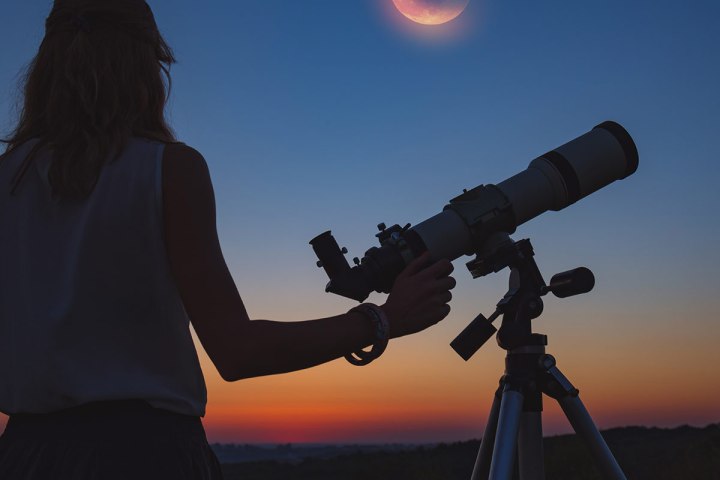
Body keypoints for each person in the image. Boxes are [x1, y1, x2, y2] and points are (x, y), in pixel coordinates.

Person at [0, 1, 456, 479]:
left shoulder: (7, 180)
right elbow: (238, 352)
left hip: (25, 455)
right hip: (145, 456)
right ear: (145, 66)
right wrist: (383, 319)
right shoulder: (168, 169)